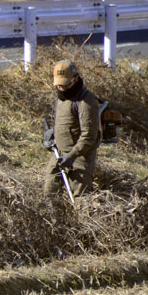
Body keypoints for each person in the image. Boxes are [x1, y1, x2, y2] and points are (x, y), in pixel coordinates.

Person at [44, 59, 100, 199]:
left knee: (80, 198)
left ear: (75, 80)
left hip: (80, 157)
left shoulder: (86, 101)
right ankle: (56, 221)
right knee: (50, 193)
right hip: (59, 154)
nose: (61, 88)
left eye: (64, 85)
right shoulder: (60, 98)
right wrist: (51, 136)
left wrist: (71, 156)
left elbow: (89, 136)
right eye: (58, 85)